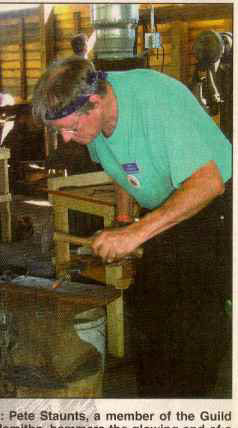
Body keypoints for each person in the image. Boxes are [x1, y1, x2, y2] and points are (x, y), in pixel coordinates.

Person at [32, 56, 232, 397]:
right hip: (168, 208)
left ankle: (193, 413)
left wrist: (134, 233)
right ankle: (155, 406)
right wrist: (124, 220)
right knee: (148, 308)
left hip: (216, 203)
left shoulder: (156, 102)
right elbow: (121, 171)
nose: (66, 139)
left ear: (94, 102)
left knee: (193, 319)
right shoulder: (94, 121)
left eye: (70, 127)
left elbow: (208, 183)